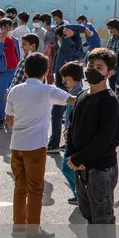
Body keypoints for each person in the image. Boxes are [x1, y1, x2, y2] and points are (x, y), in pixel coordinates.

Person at [5, 53, 77, 238]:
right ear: (46, 72)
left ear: (25, 70)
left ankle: (18, 227)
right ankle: (33, 229)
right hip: (36, 146)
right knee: (35, 188)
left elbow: (8, 118)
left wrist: (18, 131)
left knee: (19, 187)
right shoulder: (48, 90)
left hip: (17, 144)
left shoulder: (15, 90)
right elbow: (72, 100)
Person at [66, 48, 119, 238]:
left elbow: (105, 140)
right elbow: (71, 128)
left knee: (103, 216)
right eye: (90, 66)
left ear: (109, 72)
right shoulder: (82, 95)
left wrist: (78, 159)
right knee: (89, 214)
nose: (92, 70)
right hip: (82, 168)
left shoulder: (109, 101)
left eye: (99, 67)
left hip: (100, 168)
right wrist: (71, 155)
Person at [47, 12, 85, 152]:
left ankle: (56, 142)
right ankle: (66, 141)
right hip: (65, 86)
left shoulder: (68, 48)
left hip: (66, 87)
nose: (58, 40)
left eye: (60, 37)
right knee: (67, 116)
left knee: (58, 115)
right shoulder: (72, 49)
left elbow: (71, 33)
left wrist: (72, 32)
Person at [56, 62, 85, 204]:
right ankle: (80, 194)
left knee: (67, 167)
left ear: (75, 79)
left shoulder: (78, 95)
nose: (64, 82)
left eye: (66, 79)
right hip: (71, 139)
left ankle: (82, 195)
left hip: (73, 140)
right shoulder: (73, 94)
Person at [0, 18, 20, 129]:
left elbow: (17, 54)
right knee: (2, 95)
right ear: (1, 28)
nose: (7, 30)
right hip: (2, 71)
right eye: (4, 27)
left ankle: (11, 117)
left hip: (14, 71)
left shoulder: (15, 40)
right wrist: (2, 41)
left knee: (14, 95)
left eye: (9, 27)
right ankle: (0, 118)